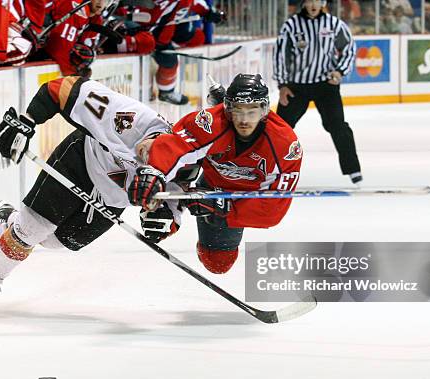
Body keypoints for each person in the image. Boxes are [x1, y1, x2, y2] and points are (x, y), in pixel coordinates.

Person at [0, 75, 180, 311]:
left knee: (55, 242)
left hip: (115, 196)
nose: (142, 153)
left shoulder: (182, 161)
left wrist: (163, 220)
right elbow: (61, 89)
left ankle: (8, 217)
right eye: (145, 148)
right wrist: (27, 121)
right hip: (82, 159)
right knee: (31, 230)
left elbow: (176, 205)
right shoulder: (127, 117)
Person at [127, 74, 303, 274]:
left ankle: (184, 204)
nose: (244, 121)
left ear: (264, 110)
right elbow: (175, 146)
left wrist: (221, 208)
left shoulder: (285, 145)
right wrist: (153, 172)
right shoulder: (211, 121)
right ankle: (170, 205)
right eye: (238, 110)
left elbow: (272, 210)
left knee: (218, 262)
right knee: (173, 153)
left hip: (241, 199)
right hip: (210, 181)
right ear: (228, 108)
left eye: (252, 111)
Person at [274, 0, 362, 185]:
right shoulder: (291, 25)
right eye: (309, 1)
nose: (313, 5)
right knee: (278, 129)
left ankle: (353, 170)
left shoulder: (334, 24)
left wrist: (339, 71)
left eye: (317, 0)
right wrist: (282, 85)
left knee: (338, 126)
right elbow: (280, 55)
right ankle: (270, 169)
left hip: (325, 86)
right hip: (296, 87)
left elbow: (349, 48)